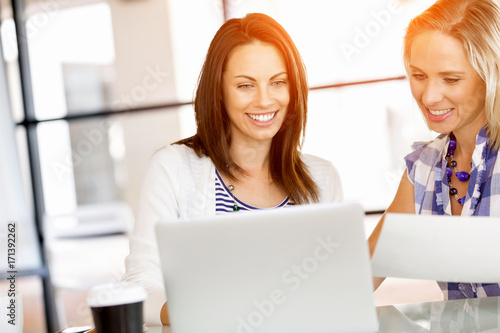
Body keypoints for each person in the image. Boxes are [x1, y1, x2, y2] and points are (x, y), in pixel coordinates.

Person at [121, 12, 343, 326]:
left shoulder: (322, 178)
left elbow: (333, 289)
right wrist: (200, 310)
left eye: (277, 83)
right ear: (219, 90)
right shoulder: (172, 168)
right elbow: (138, 285)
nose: (265, 100)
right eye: (245, 86)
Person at [369, 0, 500, 300]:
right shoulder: (424, 167)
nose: (428, 96)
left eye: (451, 79)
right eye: (419, 76)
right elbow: (361, 275)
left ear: (491, 74)